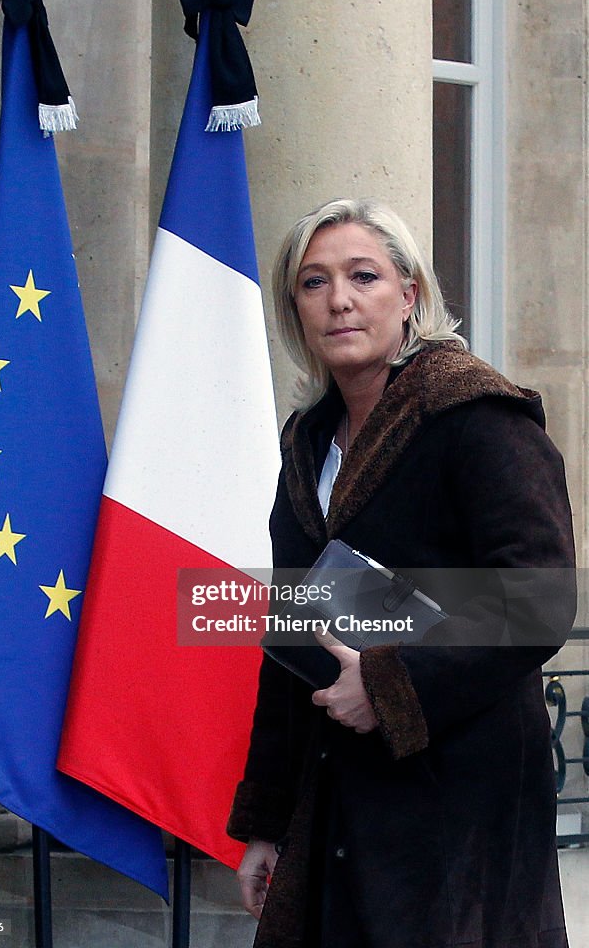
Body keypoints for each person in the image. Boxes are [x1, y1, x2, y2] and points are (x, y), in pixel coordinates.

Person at [226, 198, 576, 948]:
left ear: (409, 293)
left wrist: (388, 682)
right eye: (313, 283)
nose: (340, 300)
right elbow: (295, 639)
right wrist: (264, 821)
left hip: (458, 797)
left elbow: (538, 598)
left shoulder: (476, 416)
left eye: (363, 276)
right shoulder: (308, 442)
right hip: (336, 793)